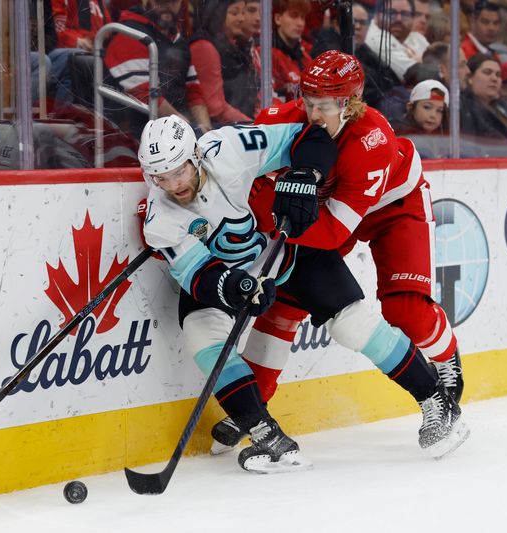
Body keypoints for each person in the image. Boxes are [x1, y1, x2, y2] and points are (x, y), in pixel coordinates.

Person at [211, 50, 469, 459]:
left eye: (325, 106)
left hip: (392, 208)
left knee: (404, 310)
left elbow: (333, 232)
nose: (313, 115)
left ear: (351, 103)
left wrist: (275, 214)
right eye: (309, 102)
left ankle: (444, 359)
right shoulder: (279, 121)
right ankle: (254, 406)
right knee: (286, 300)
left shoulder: (372, 141)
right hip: (326, 212)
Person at [139, 114, 335, 472]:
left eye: (178, 171)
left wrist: (307, 175)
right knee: (202, 336)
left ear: (195, 155)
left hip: (275, 252)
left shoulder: (228, 148)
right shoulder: (159, 219)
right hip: (225, 274)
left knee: (346, 315)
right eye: (160, 177)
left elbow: (308, 137)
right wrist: (239, 287)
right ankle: (268, 435)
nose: (172, 184)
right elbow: (199, 274)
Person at [104, 0, 212, 136]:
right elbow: (146, 96)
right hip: (135, 134)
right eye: (161, 1)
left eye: (173, 2)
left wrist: (207, 132)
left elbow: (194, 92)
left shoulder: (178, 41)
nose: (167, 5)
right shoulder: (130, 33)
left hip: (173, 131)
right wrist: (189, 129)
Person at [190, 0, 258, 123]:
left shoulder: (237, 47)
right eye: (234, 13)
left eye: (243, 12)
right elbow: (215, 108)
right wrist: (254, 124)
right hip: (223, 129)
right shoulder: (204, 47)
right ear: (217, 13)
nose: (242, 18)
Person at [459, 53, 507, 156]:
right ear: (470, 77)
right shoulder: (464, 107)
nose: (494, 79)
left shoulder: (502, 107)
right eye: (487, 72)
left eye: (498, 75)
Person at [365, 0, 429, 82]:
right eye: (391, 13)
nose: (399, 19)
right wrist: (427, 62)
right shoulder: (374, 38)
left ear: (413, 18)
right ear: (376, 15)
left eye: (404, 14)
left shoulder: (416, 37)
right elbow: (412, 74)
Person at [391, 79, 450, 158]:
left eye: (439, 110)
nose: (433, 115)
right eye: (427, 107)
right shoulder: (399, 133)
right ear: (410, 107)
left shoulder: (443, 137)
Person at [270, 0, 313, 104]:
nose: (300, 23)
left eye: (302, 18)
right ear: (278, 19)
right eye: (293, 16)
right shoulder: (267, 55)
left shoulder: (306, 58)